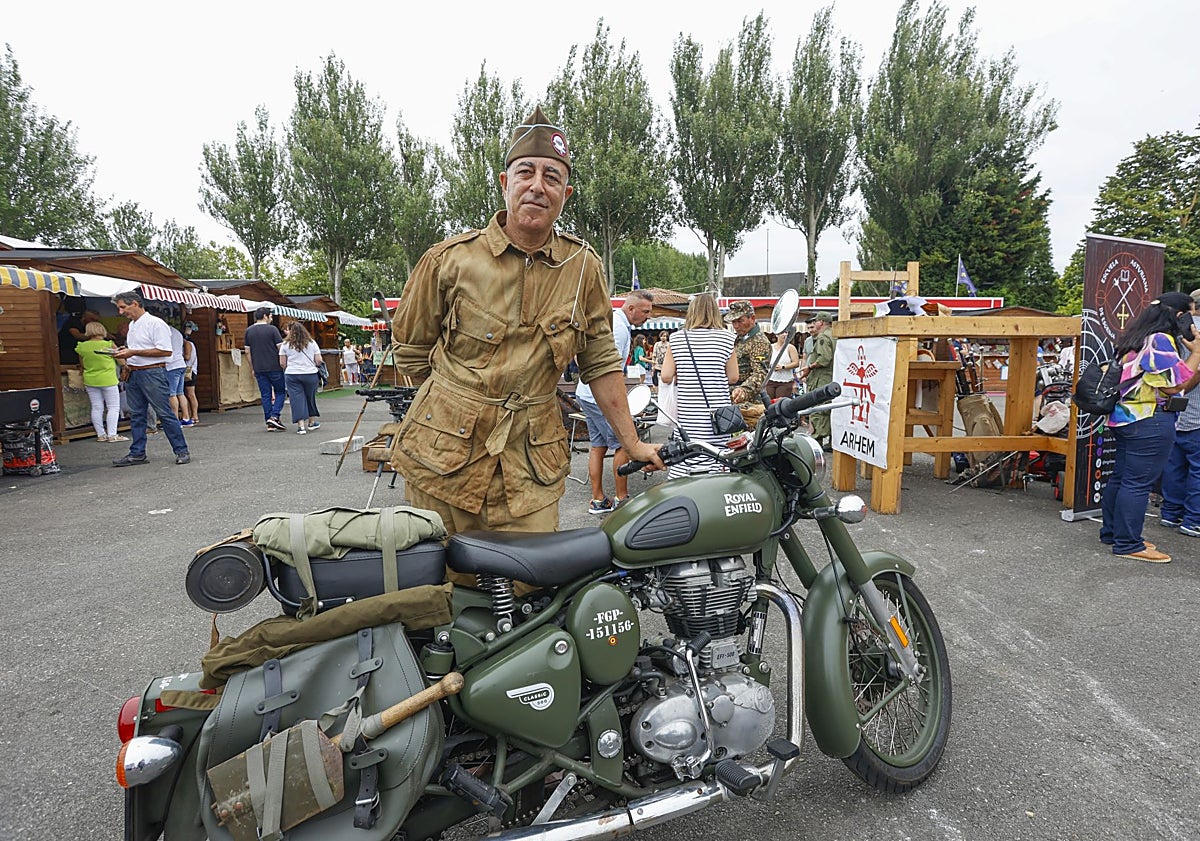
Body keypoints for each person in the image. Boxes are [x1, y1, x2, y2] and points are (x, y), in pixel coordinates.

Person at [389, 105, 663, 541]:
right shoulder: (449, 261)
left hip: (530, 470)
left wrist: (631, 442)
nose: (537, 186)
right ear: (505, 183)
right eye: (525, 173)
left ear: (565, 194)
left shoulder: (583, 268)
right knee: (441, 578)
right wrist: (456, 404)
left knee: (532, 577)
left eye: (551, 177)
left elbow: (601, 363)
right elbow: (410, 352)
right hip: (442, 464)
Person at [1100, 292, 1200, 563]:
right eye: (1190, 315)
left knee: (1122, 478)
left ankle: (1113, 533)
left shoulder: (1137, 337)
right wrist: (1197, 353)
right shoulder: (1160, 340)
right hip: (1149, 419)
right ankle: (1128, 543)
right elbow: (1173, 386)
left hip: (1125, 418)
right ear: (1179, 315)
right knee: (1137, 483)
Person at [575, 291, 655, 513]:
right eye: (645, 311)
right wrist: (620, 404)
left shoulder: (613, 321)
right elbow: (610, 370)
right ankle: (622, 499)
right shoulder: (619, 328)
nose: (648, 316)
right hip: (598, 395)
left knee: (598, 446)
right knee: (623, 444)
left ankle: (598, 499)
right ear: (631, 309)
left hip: (586, 392)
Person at [660, 293, 738, 479]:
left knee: (687, 453)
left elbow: (665, 376)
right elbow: (733, 377)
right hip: (717, 416)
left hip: (688, 413)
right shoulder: (727, 338)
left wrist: (686, 375)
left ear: (692, 312)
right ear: (715, 312)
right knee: (717, 457)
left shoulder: (677, 339)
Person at [109, 291, 190, 466]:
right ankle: (137, 453)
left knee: (164, 413)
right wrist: (126, 351)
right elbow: (140, 348)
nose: (121, 312)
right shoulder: (133, 325)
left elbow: (165, 351)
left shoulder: (155, 323)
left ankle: (181, 450)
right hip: (135, 372)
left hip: (152, 372)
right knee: (137, 415)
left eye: (123, 307)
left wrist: (133, 352)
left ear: (135, 304)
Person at [76, 320, 125, 442]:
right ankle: (112, 435)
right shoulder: (109, 344)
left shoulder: (82, 346)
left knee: (97, 407)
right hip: (108, 379)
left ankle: (101, 435)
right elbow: (121, 361)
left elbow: (82, 364)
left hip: (90, 380)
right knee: (113, 407)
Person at [724, 300, 771, 426]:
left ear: (752, 318)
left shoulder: (759, 342)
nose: (736, 326)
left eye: (740, 321)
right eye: (733, 322)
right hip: (733, 398)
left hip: (749, 403)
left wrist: (744, 390)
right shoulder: (740, 339)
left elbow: (760, 373)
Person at [243, 308, 287, 431]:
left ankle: (269, 422)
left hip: (259, 367)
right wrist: (284, 363)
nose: (271, 319)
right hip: (275, 366)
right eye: (271, 316)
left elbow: (247, 351)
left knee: (265, 394)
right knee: (280, 392)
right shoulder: (272, 330)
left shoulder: (249, 331)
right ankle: (274, 416)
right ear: (265, 316)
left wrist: (252, 368)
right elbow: (280, 348)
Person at [279, 321, 323, 435]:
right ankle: (311, 422)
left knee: (296, 399)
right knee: (310, 397)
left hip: (292, 374)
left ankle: (301, 426)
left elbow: (282, 363)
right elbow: (318, 360)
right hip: (310, 374)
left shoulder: (285, 344)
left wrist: (290, 367)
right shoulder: (312, 343)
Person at [800, 312, 836, 450]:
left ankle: (817, 442)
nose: (814, 324)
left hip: (821, 378)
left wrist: (809, 367)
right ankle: (830, 441)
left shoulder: (823, 337)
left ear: (821, 322)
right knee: (829, 409)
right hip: (831, 377)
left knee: (818, 409)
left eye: (816, 321)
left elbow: (824, 359)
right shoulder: (835, 335)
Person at [765, 331, 800, 402]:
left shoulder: (790, 347)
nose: (785, 335)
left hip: (785, 381)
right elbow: (765, 360)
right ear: (777, 335)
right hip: (770, 380)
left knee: (780, 403)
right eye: (782, 333)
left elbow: (796, 363)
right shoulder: (770, 347)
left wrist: (783, 367)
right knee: (768, 402)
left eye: (786, 333)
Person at [165, 322, 188, 424]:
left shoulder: (165, 332)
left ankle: (175, 420)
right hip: (181, 363)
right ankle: (186, 418)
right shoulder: (177, 332)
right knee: (180, 393)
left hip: (172, 365)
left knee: (172, 394)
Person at [182, 325, 200, 426]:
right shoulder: (190, 343)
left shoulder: (188, 344)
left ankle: (194, 415)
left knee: (190, 393)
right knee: (188, 393)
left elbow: (188, 357)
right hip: (191, 370)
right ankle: (191, 415)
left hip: (189, 370)